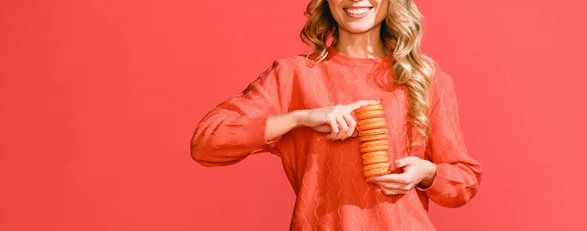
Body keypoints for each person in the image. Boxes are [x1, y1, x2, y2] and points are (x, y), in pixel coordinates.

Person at [190, 0, 483, 230]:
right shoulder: (295, 75)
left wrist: (427, 173)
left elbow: (464, 182)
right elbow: (207, 143)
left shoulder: (426, 80)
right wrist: (299, 118)